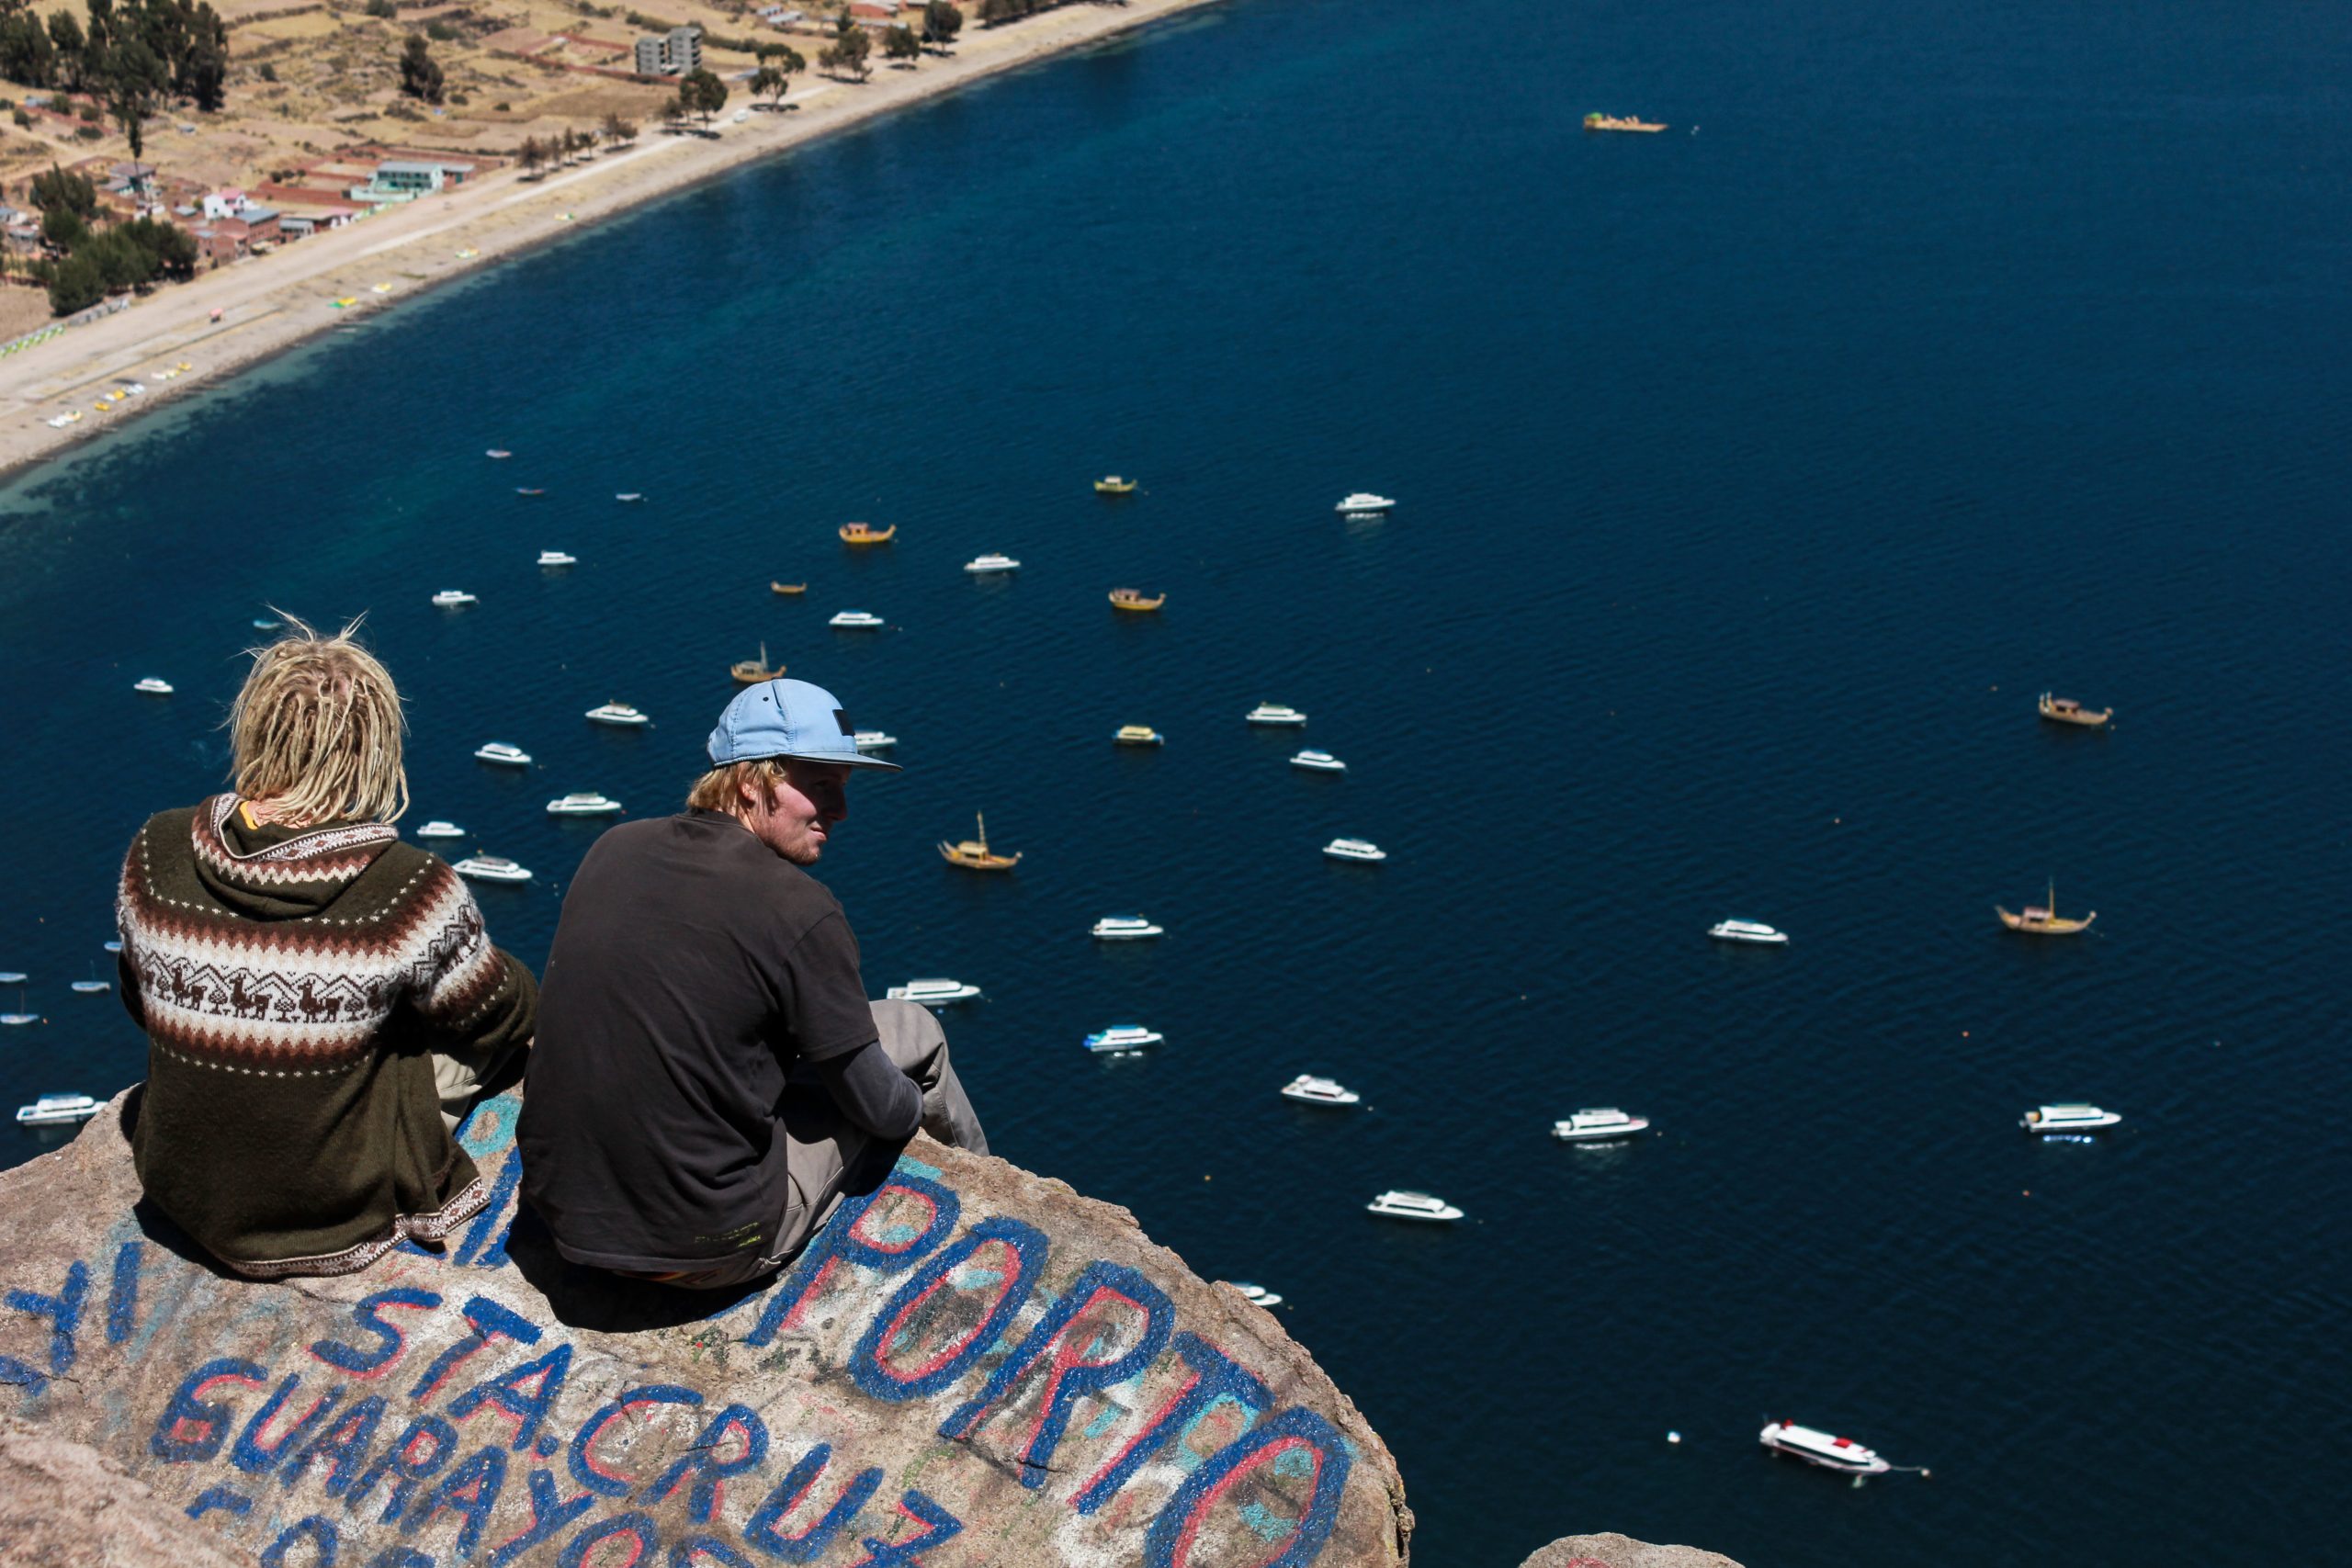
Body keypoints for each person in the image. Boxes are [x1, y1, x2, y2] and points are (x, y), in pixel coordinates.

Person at [518, 677, 987, 1290]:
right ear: (750, 783)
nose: (841, 811)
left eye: (842, 789)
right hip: (704, 1250)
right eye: (821, 786)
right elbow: (881, 1108)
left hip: (566, 1223)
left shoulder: (612, 847)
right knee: (917, 1031)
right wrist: (884, 1095)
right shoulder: (800, 908)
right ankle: (988, 1217)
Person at [114, 616, 537, 1280]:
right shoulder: (407, 888)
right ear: (372, 746)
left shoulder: (157, 848)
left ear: (256, 727)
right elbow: (501, 1014)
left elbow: (140, 1001)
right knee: (463, 1032)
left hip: (183, 1193)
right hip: (329, 1211)